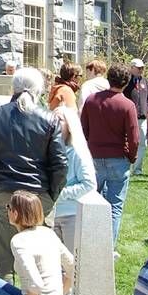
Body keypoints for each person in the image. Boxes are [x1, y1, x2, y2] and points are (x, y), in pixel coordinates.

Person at [0, 67, 67, 295]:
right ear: (38, 90)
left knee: (3, 260)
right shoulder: (48, 119)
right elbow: (59, 164)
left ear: (13, 89)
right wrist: (51, 196)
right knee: (42, 258)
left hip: (3, 193)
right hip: (38, 196)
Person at [80, 64, 140, 249]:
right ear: (126, 82)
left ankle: (88, 242)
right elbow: (134, 137)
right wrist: (131, 156)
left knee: (90, 203)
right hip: (117, 158)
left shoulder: (91, 100)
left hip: (95, 157)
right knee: (114, 206)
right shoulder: (127, 105)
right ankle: (108, 248)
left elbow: (83, 130)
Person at [51, 105, 96, 255]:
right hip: (51, 215)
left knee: (72, 264)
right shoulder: (48, 150)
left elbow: (89, 184)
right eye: (52, 119)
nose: (55, 123)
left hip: (71, 215)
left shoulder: (77, 151)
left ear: (70, 125)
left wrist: (60, 194)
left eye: (59, 120)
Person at [124, 58, 148, 174]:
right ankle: (126, 166)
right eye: (139, 68)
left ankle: (137, 168)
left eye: (142, 68)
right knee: (128, 142)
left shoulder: (144, 82)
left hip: (142, 118)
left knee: (142, 143)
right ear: (131, 68)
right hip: (128, 117)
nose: (141, 70)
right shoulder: (126, 81)